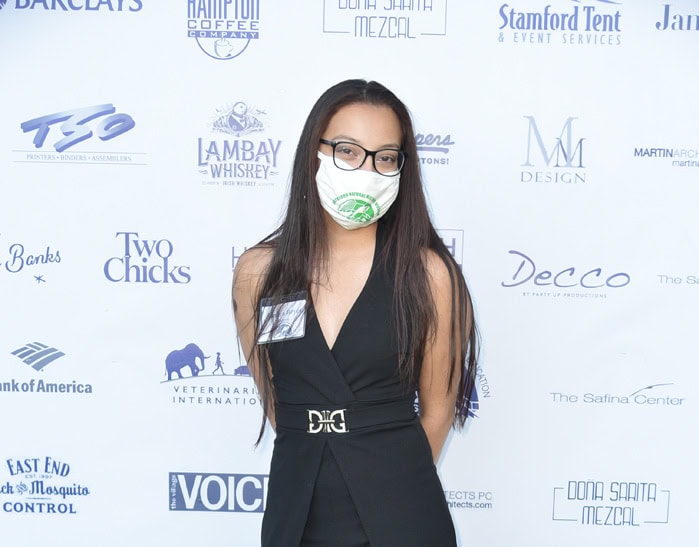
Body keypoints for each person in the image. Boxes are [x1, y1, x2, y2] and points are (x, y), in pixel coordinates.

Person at [233, 79, 478, 547]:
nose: (366, 170)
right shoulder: (257, 272)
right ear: (314, 152)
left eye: (384, 157)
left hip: (401, 512)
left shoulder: (429, 275)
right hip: (295, 507)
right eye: (347, 151)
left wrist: (383, 479)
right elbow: (275, 394)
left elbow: (438, 413)